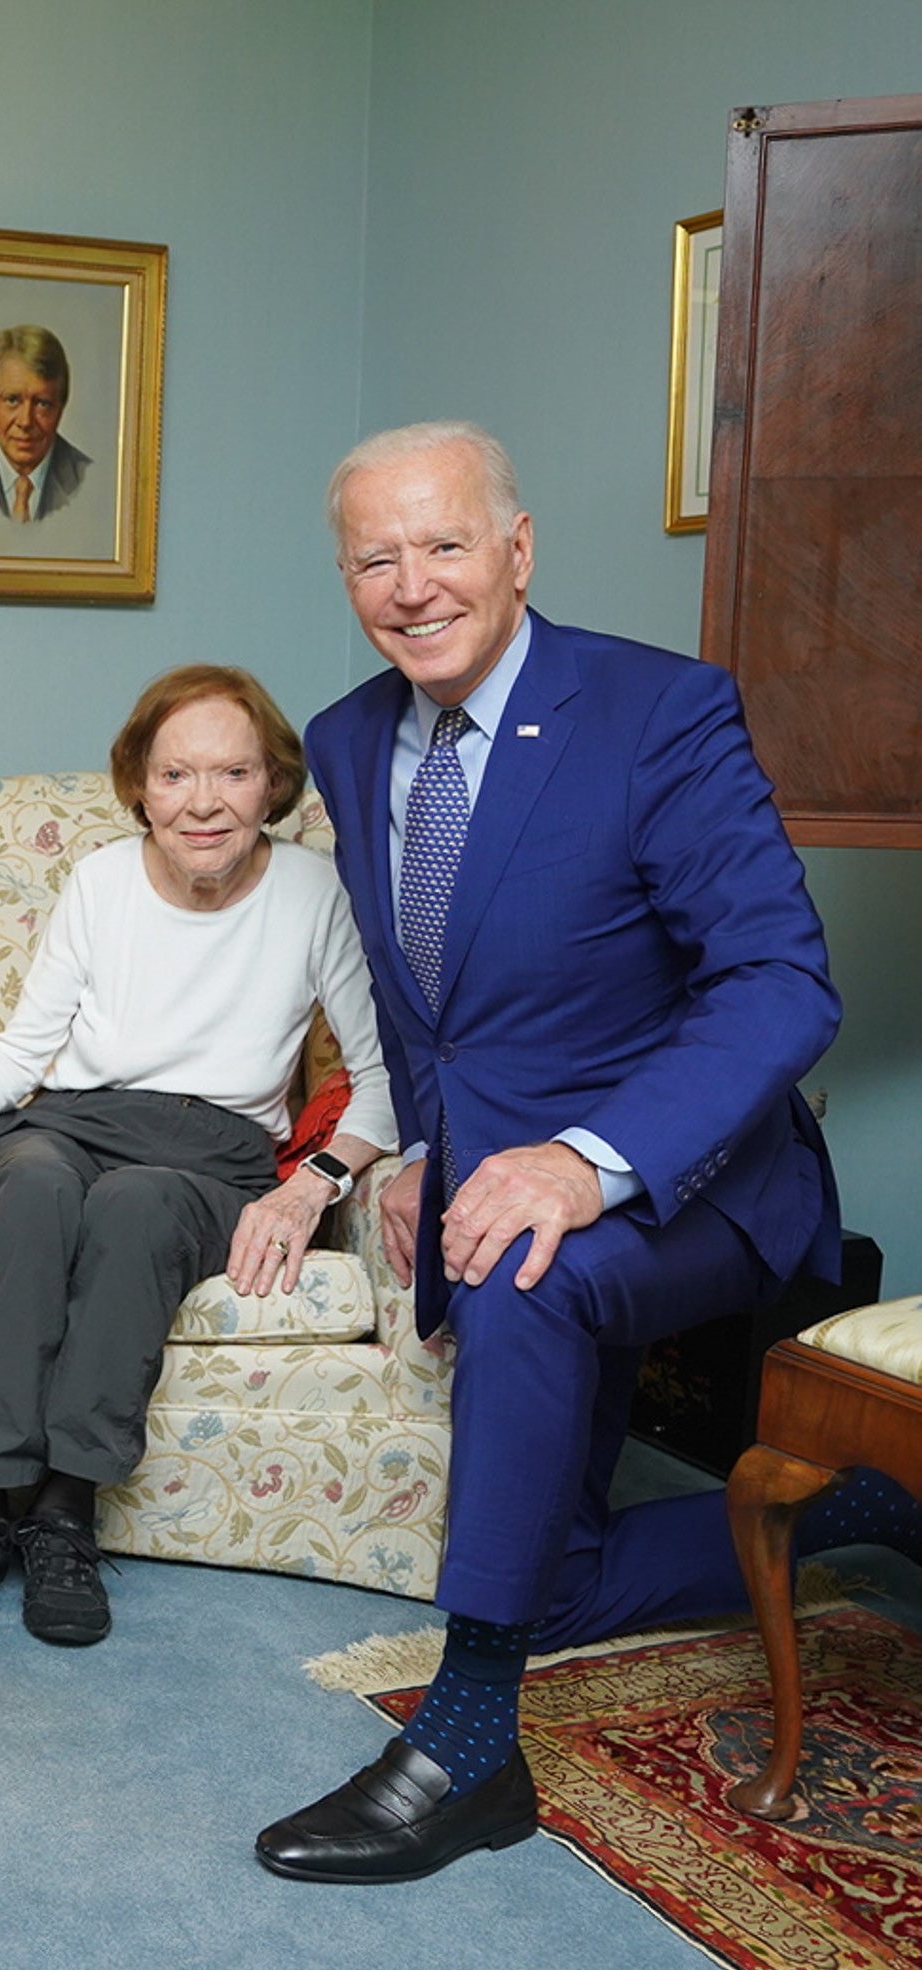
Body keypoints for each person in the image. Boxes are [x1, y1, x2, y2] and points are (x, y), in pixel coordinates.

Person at [258, 421, 917, 1886]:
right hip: (490, 1177)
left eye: (441, 545)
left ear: (515, 548)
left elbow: (778, 984)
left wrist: (582, 1159)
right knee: (545, 1585)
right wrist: (418, 1145)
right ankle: (865, 1509)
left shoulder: (655, 711)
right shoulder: (349, 738)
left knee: (522, 1287)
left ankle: (465, 1748)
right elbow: (430, 998)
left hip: (694, 1179)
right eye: (374, 557)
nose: (409, 585)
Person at [0, 666, 397, 1649]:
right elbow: (23, 1052)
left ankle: (66, 1512)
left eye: (232, 773)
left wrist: (308, 1188)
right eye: (175, 775)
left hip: (210, 1150)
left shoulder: (313, 892)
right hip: (68, 1119)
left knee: (137, 1210)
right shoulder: (101, 880)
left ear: (270, 786)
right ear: (139, 788)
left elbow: (380, 1076)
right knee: (23, 1187)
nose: (203, 802)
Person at [0, 325, 91, 523]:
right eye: (13, 400)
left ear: (60, 407)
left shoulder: (90, 482)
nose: (25, 421)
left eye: (42, 403)